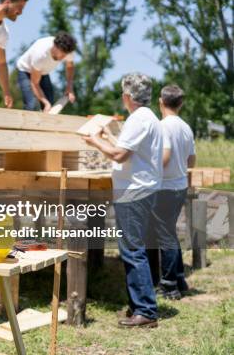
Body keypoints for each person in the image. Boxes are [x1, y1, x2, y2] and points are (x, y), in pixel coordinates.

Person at [83, 73, 162, 328]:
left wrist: (94, 140)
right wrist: (106, 136)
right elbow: (127, 151)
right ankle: (143, 304)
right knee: (140, 248)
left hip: (134, 192)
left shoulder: (138, 119)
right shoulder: (146, 117)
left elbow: (118, 156)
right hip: (144, 190)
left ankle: (145, 311)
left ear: (127, 96)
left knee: (132, 249)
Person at [154, 84, 195, 299]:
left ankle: (169, 286)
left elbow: (165, 156)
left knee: (165, 236)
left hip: (165, 188)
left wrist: (149, 172)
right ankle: (179, 278)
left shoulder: (162, 126)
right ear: (181, 103)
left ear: (161, 101)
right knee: (169, 232)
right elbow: (192, 160)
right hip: (179, 186)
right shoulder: (186, 127)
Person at [15, 32, 77, 112]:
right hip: (25, 70)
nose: (63, 58)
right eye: (61, 54)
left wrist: (69, 87)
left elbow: (69, 67)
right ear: (55, 47)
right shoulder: (41, 54)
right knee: (32, 105)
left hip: (42, 72)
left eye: (65, 55)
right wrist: (45, 103)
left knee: (50, 107)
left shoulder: (68, 51)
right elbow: (34, 83)